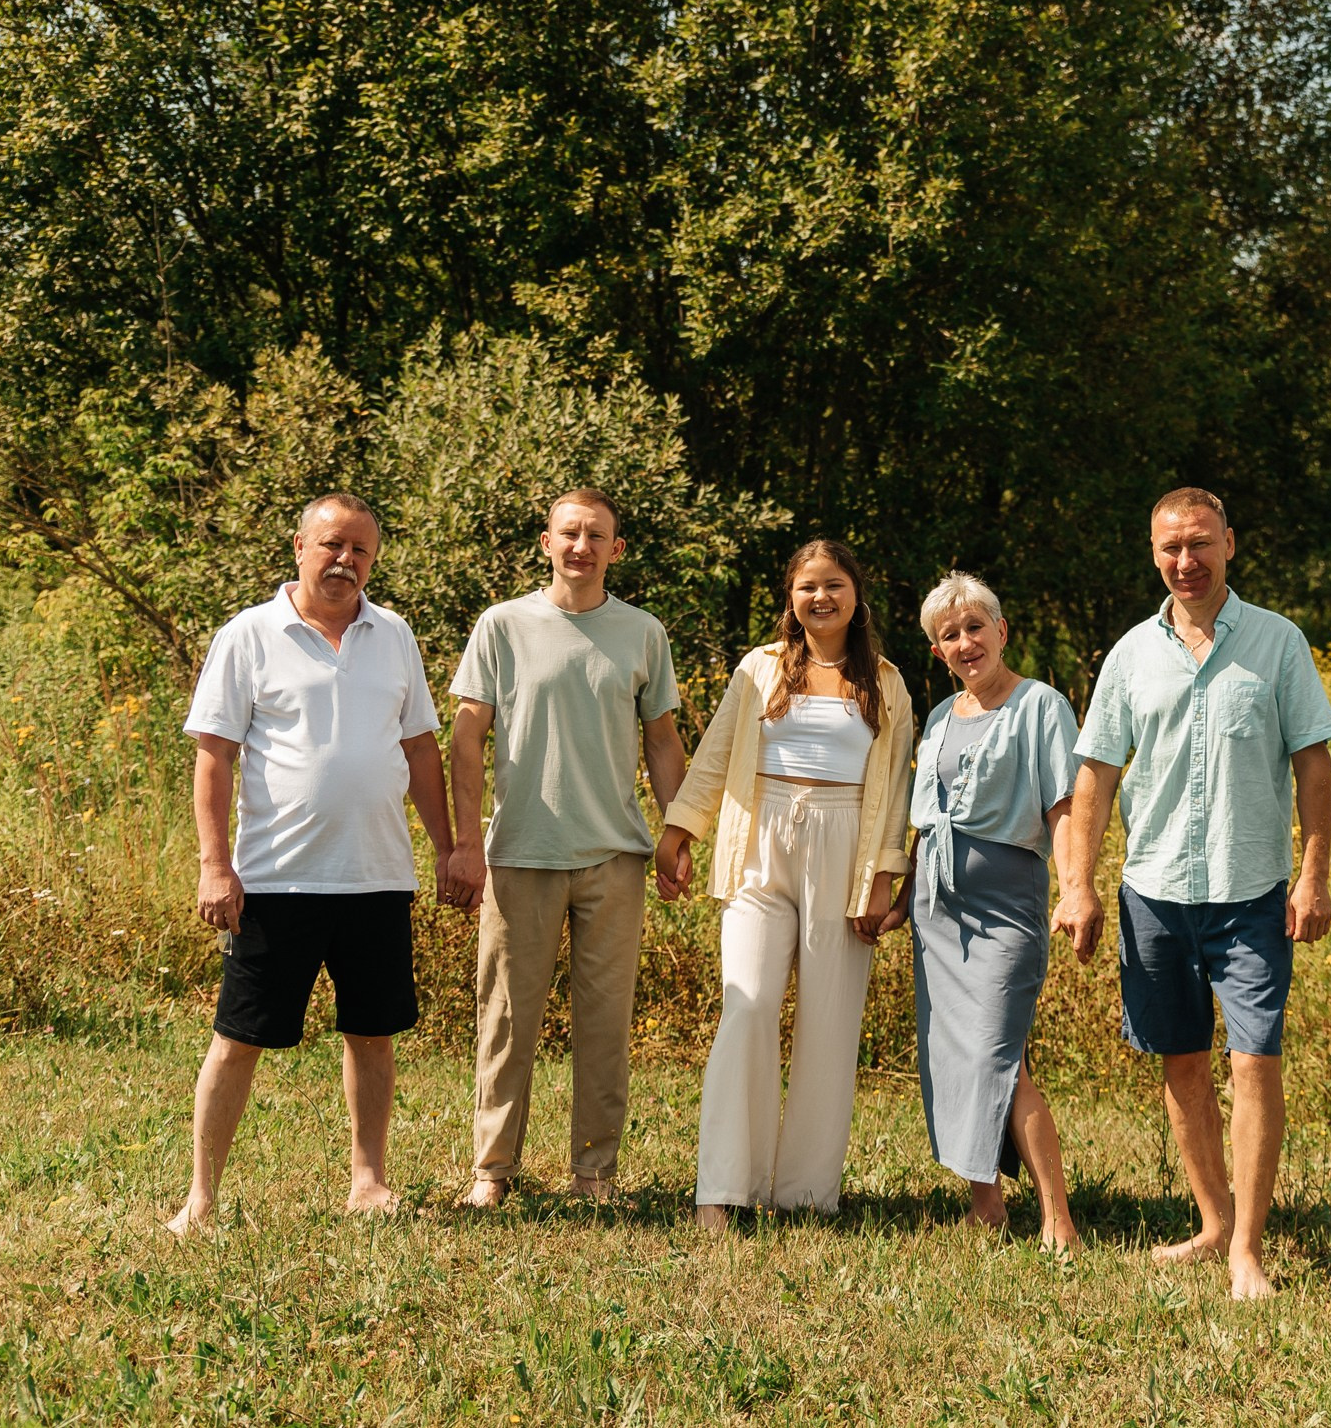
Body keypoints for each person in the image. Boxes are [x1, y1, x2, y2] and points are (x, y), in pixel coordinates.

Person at [1058, 487, 1331, 1299]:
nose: (1187, 561)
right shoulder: (1129, 655)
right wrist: (1076, 885)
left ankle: (1247, 1250)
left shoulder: (1279, 642)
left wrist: (1314, 874)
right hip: (1154, 892)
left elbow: (1313, 763)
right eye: (1171, 547)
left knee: (1253, 1061)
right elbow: (1095, 776)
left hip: (1252, 892)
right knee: (1181, 1061)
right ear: (1155, 554)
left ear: (1229, 543)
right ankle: (1214, 1223)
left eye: (1201, 543)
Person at [166, 493, 455, 1235]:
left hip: (377, 876)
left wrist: (448, 847)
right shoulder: (249, 634)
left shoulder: (394, 635)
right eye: (332, 544)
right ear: (299, 547)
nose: (345, 560)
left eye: (360, 550)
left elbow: (421, 749)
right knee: (237, 1038)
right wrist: (214, 864)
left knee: (372, 1033)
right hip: (276, 880)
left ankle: (369, 1182)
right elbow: (214, 755)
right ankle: (200, 1198)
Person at [655, 539, 913, 1229]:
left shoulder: (886, 682)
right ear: (791, 598)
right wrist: (680, 827)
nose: (820, 597)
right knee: (747, 1005)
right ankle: (722, 1189)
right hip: (759, 839)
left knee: (830, 1023)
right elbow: (715, 755)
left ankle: (803, 1195)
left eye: (834, 585)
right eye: (807, 586)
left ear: (856, 594)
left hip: (845, 846)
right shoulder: (759, 667)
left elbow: (896, 791)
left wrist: (882, 877)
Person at [442, 488, 687, 1207]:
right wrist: (466, 841)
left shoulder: (643, 632)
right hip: (521, 852)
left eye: (596, 535)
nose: (582, 546)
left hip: (615, 857)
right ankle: (492, 1170)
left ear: (616, 549)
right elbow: (466, 735)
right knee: (506, 1019)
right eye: (569, 533)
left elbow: (663, 741)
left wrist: (676, 833)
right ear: (546, 542)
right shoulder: (503, 625)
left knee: (605, 1023)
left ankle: (593, 1174)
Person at [901, 572, 1083, 1249]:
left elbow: (1065, 805)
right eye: (950, 635)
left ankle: (1059, 1220)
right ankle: (987, 1205)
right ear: (937, 651)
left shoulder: (1041, 706)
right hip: (936, 909)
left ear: (1001, 631)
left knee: (996, 1055)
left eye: (976, 627)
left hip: (1006, 904)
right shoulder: (941, 717)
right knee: (952, 1057)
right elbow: (927, 820)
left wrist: (1076, 888)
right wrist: (901, 893)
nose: (966, 642)